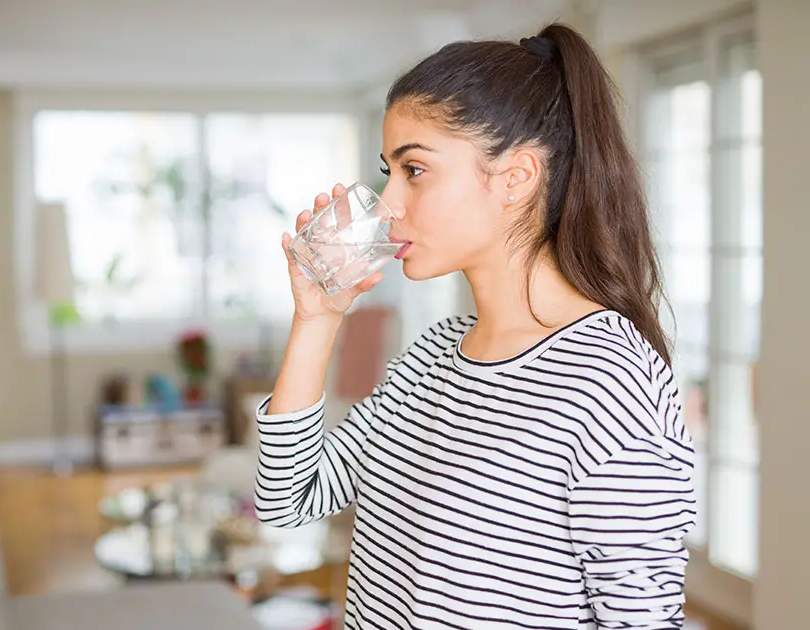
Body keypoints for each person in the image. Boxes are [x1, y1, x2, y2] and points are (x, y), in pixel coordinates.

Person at [254, 22, 696, 630]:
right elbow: (287, 502)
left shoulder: (610, 380)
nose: (387, 204)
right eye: (388, 172)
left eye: (414, 170)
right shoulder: (432, 356)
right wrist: (317, 317)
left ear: (516, 177)